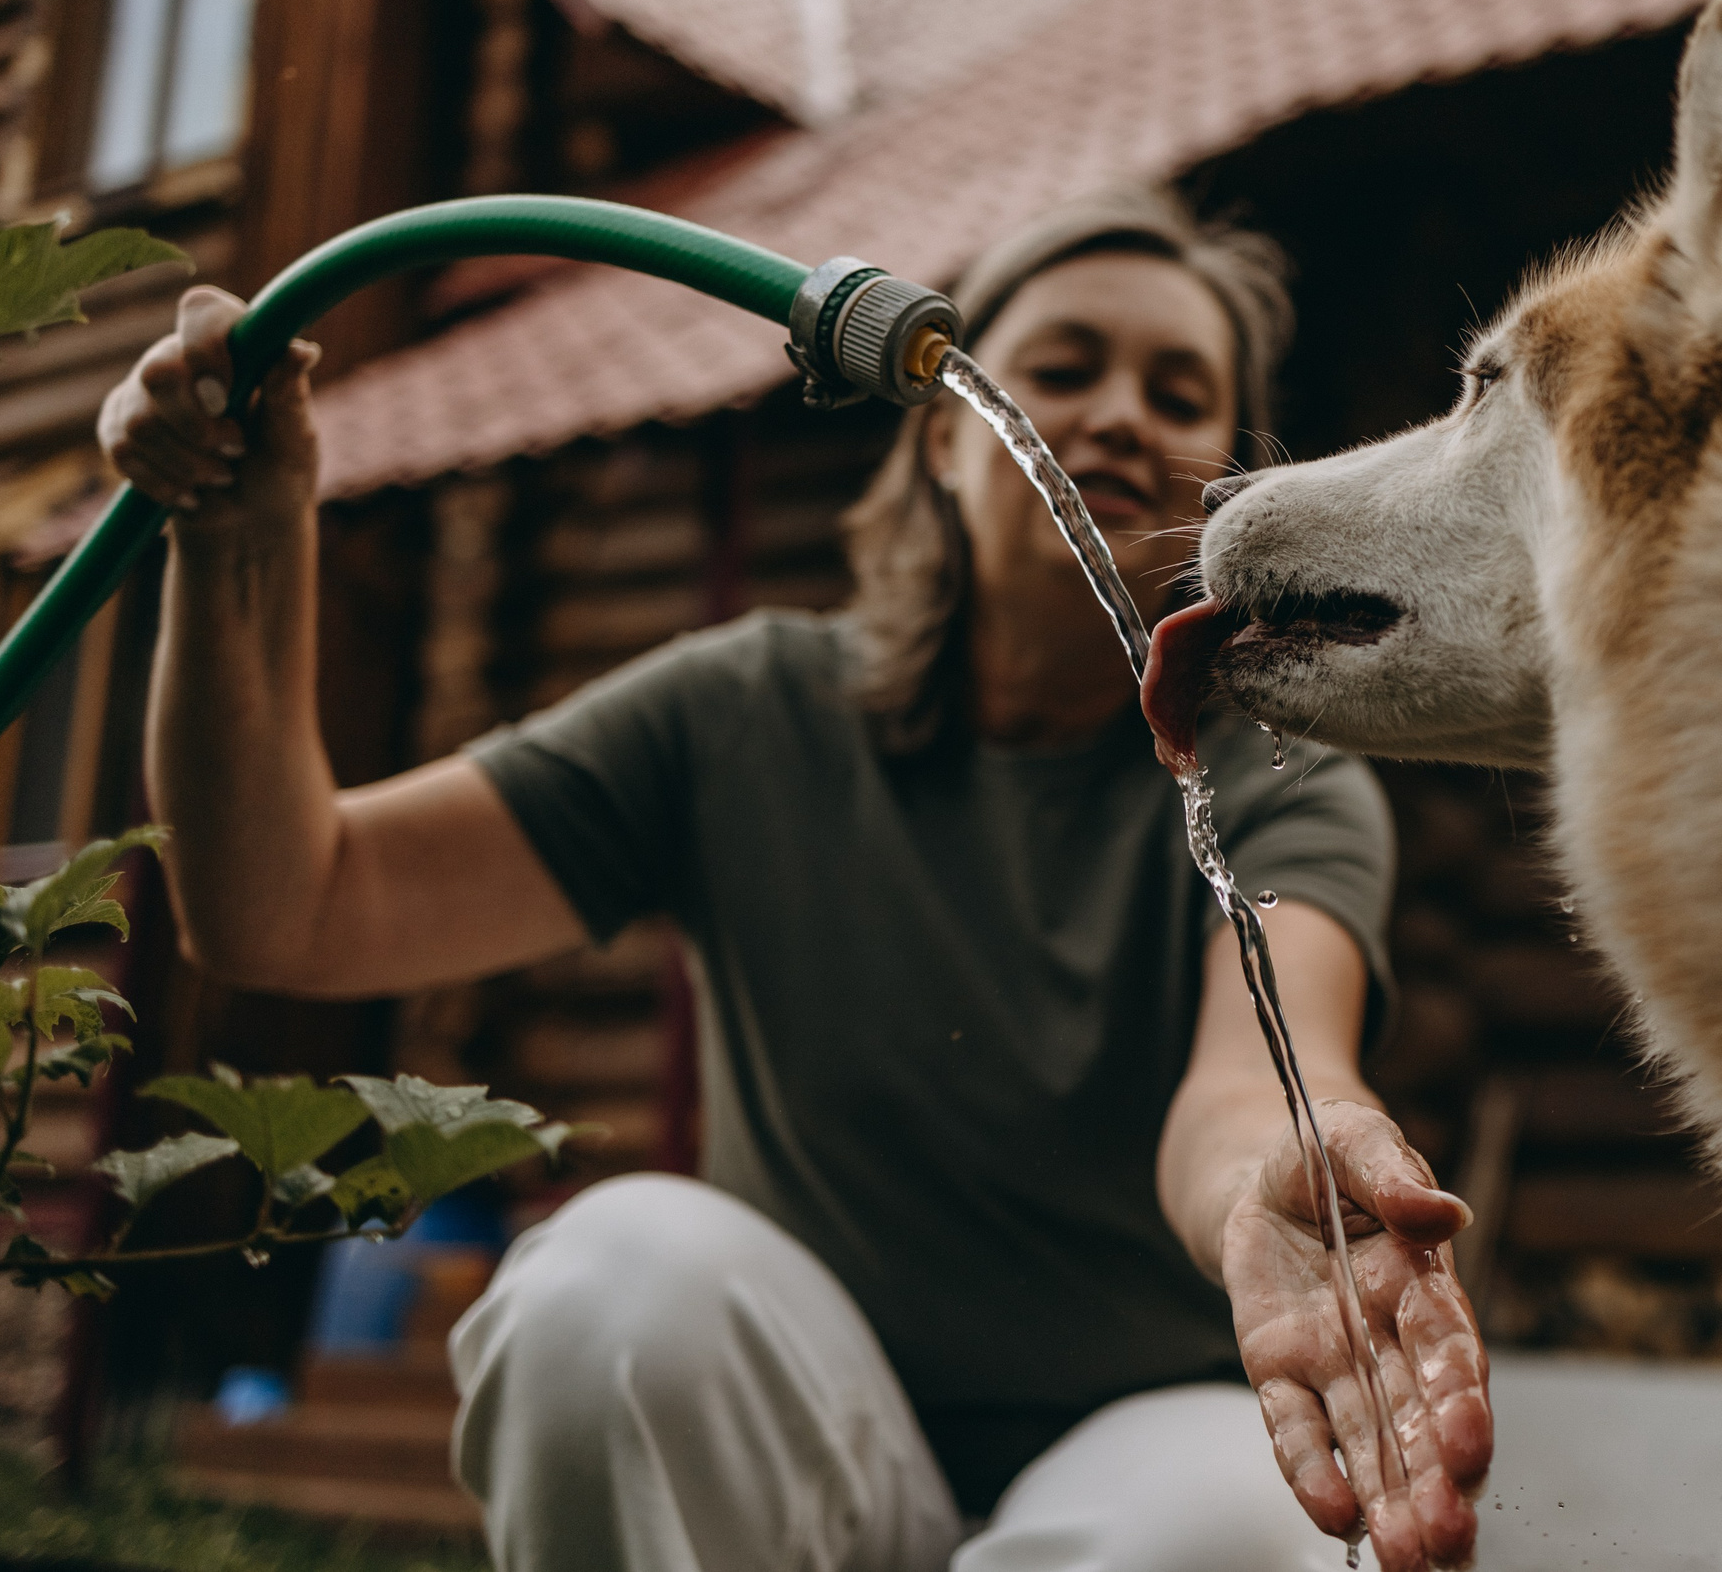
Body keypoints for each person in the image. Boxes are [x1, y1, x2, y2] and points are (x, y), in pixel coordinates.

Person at [100, 188, 1492, 1572]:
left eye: (1179, 391)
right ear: (944, 438)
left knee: (1239, 1536)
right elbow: (289, 902)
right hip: (800, 1439)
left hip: (1145, 1445)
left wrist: (1274, 1172)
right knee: (606, 1292)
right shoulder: (747, 714)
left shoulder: (1282, 778)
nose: (1121, 412)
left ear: (1224, 497)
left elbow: (1250, 1084)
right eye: (1063, 368)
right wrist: (241, 539)